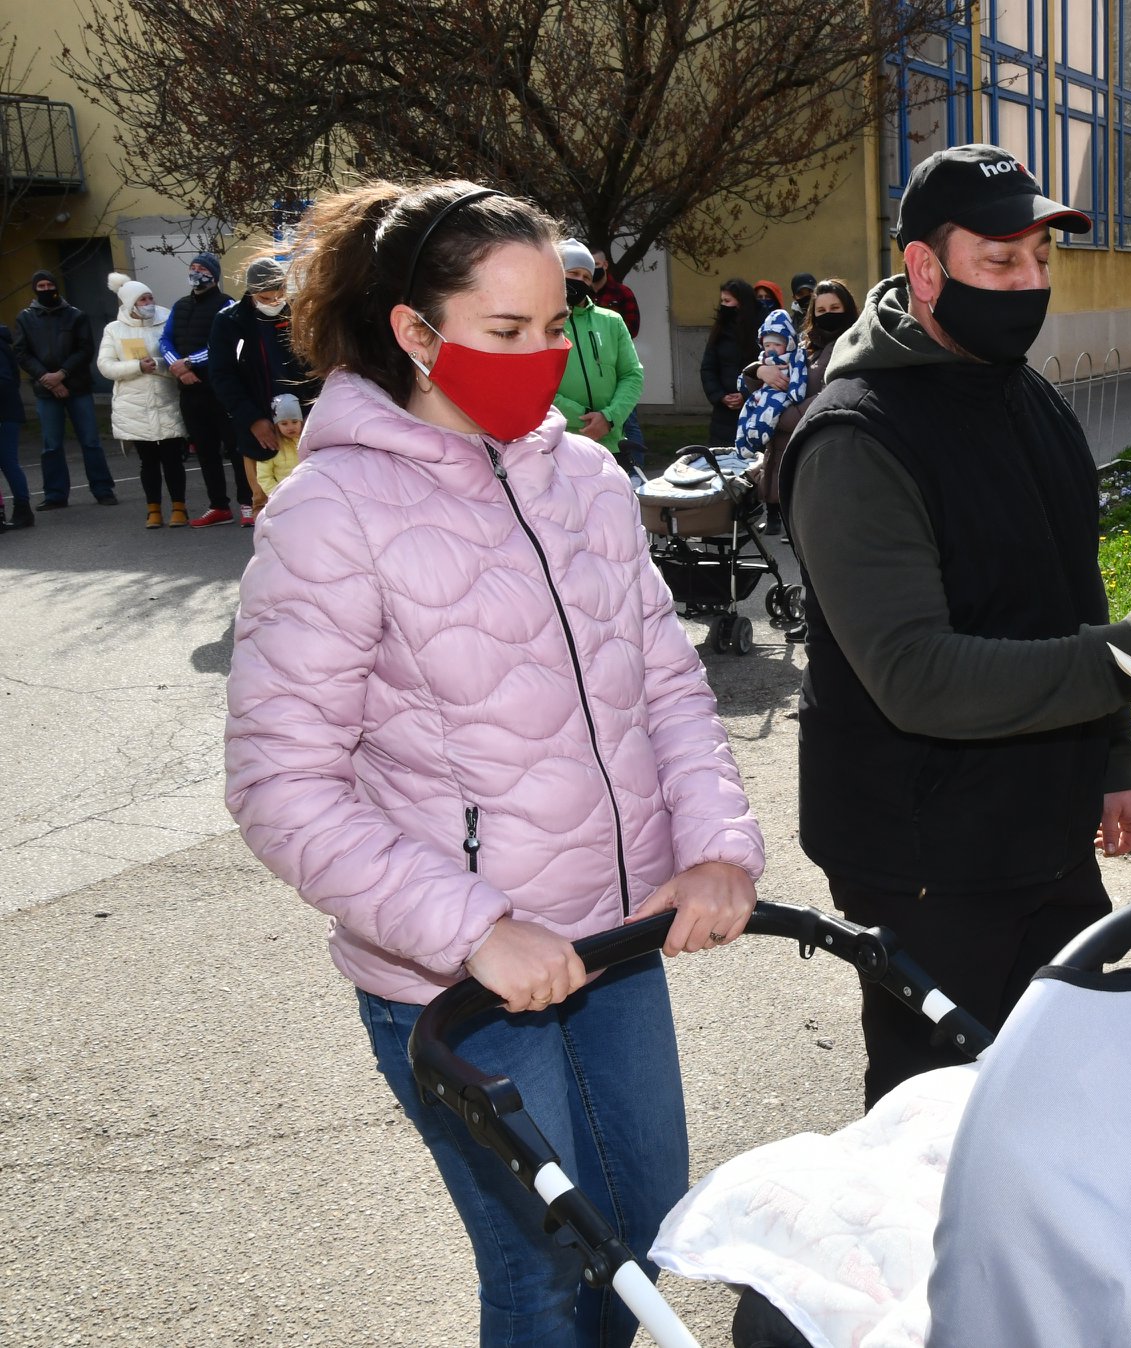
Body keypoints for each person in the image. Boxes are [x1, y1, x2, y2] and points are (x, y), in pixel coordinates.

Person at [225, 178, 765, 1347]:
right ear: (416, 333)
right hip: (458, 981)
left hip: (615, 943)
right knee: (544, 1272)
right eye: (507, 331)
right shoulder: (332, 512)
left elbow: (665, 688)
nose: (544, 358)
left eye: (556, 326)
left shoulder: (587, 481)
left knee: (640, 1237)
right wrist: (475, 928)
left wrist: (718, 845)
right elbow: (281, 785)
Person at [778, 144, 1131, 1108]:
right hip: (925, 854)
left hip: (1041, 824)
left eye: (1041, 261)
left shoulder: (1026, 395)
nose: (1029, 285)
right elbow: (916, 676)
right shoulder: (855, 438)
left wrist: (1111, 760)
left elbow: (1072, 588)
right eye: (1001, 261)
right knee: (940, 1114)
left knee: (1058, 1091)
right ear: (925, 269)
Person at [208, 256, 323, 527]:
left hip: (302, 424)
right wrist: (252, 420)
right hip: (259, 427)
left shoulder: (300, 314)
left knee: (312, 501)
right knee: (264, 502)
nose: (274, 302)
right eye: (265, 297)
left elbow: (317, 368)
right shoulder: (230, 321)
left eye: (279, 294)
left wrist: (311, 415)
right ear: (251, 292)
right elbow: (222, 376)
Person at [13, 269, 117, 508]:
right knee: (51, 445)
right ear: (35, 289)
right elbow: (21, 353)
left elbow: (85, 349)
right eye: (41, 287)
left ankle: (103, 489)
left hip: (77, 386)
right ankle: (55, 494)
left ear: (56, 286)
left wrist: (62, 374)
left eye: (49, 285)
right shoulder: (25, 318)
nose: (46, 290)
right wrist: (46, 378)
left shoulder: (75, 315)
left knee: (90, 441)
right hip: (45, 389)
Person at [761, 277, 858, 536]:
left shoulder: (855, 346)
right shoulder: (804, 347)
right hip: (790, 450)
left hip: (827, 452)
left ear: (847, 309)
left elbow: (832, 396)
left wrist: (777, 416)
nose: (828, 315)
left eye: (835, 308)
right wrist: (759, 371)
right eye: (821, 310)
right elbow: (762, 384)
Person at [160, 252, 248, 528]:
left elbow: (226, 344)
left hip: (220, 389)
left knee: (235, 448)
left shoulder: (227, 304)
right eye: (193, 267)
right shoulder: (180, 305)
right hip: (189, 391)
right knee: (205, 451)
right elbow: (165, 340)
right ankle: (218, 506)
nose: (196, 272)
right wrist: (178, 366)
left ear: (214, 275)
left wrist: (190, 362)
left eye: (202, 268)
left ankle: (248, 503)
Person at [96, 274, 188, 528]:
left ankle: (179, 507)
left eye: (150, 297)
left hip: (167, 398)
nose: (148, 303)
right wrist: (136, 366)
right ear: (130, 304)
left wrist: (156, 365)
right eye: (142, 300)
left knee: (172, 458)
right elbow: (105, 366)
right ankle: (153, 510)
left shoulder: (167, 318)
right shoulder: (114, 329)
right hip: (133, 405)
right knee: (148, 461)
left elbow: (178, 355)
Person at [554, 239, 645, 474]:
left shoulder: (611, 321)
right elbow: (535, 386)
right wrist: (583, 417)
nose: (581, 281)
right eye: (573, 273)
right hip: (560, 443)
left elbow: (632, 374)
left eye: (586, 277)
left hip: (611, 443)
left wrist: (609, 418)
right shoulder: (541, 323)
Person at [591, 248, 647, 457]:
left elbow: (632, 328)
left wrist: (608, 342)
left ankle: (636, 467)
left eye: (597, 265)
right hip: (591, 367)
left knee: (627, 419)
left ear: (605, 265)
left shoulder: (622, 293)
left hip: (616, 362)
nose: (593, 270)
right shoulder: (582, 295)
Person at [731, 309, 804, 458]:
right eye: (767, 345)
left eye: (777, 344)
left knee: (767, 414)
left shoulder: (794, 357)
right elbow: (743, 382)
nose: (771, 349)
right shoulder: (762, 360)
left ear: (788, 343)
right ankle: (742, 444)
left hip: (779, 395)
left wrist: (795, 392)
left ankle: (757, 437)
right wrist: (759, 371)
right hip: (759, 395)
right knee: (746, 412)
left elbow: (799, 374)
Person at [699, 278, 760, 446]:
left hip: (753, 410)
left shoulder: (759, 331)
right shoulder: (720, 330)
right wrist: (720, 396)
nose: (723, 306)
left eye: (727, 301)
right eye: (722, 301)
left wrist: (745, 395)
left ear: (741, 303)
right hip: (723, 415)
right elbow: (708, 368)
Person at [0, 319, 31, 531]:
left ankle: (23, 509)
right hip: (7, 410)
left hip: (5, 413)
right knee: (8, 462)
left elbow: (5, 381)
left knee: (8, 462)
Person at [253, 392, 304, 507]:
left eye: (294, 421)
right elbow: (264, 476)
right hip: (284, 499)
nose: (290, 427)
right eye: (284, 423)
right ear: (276, 425)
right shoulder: (272, 446)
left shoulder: (308, 441)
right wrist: (277, 495)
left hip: (309, 495)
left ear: (301, 421)